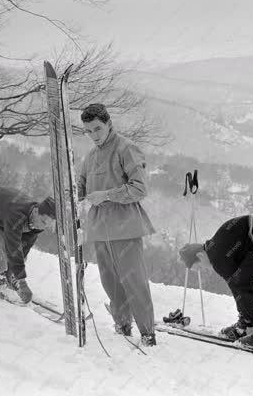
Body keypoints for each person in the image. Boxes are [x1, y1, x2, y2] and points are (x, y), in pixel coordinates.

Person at [78, 103, 157, 347]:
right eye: (88, 131)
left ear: (109, 123)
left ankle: (147, 334)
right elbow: (81, 188)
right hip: (100, 229)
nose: (94, 135)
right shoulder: (90, 156)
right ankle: (122, 325)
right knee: (110, 281)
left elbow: (140, 188)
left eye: (97, 129)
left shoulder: (126, 148)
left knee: (134, 281)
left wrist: (107, 195)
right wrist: (75, 196)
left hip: (125, 226)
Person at [178, 214, 253, 353]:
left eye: (200, 266)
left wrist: (245, 316)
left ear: (200, 256)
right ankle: (246, 326)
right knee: (250, 282)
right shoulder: (216, 247)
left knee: (245, 284)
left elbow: (238, 287)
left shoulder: (217, 256)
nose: (204, 269)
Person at [0, 186, 57, 304]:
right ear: (36, 211)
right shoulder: (16, 214)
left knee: (20, 251)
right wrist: (22, 281)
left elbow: (23, 248)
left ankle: (10, 277)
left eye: (46, 225)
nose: (43, 227)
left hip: (2, 214)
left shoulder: (37, 223)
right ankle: (0, 281)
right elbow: (13, 247)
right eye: (43, 222)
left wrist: (15, 274)